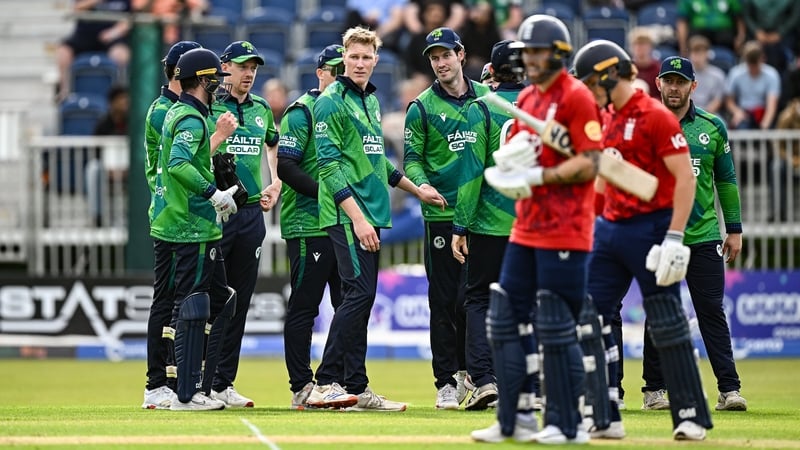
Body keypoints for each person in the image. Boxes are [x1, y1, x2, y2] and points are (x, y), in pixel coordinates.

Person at [469, 15, 602, 444]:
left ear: (559, 54)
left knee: (555, 325)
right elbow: (525, 148)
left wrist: (542, 177)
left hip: (565, 228)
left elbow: (591, 161)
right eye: (526, 51)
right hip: (526, 225)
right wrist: (514, 158)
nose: (531, 58)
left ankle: (568, 423)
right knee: (506, 317)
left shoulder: (577, 98)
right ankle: (517, 416)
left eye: (539, 51)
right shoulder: (527, 97)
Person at [572, 39, 713, 441]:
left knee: (666, 319)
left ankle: (690, 414)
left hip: (652, 227)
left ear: (610, 73)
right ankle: (603, 413)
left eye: (591, 81)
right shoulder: (606, 116)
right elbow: (601, 178)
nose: (588, 90)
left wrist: (674, 236)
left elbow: (684, 179)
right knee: (589, 317)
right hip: (610, 229)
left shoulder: (655, 116)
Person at [306, 26, 446, 411]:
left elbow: (377, 161)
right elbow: (329, 167)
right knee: (360, 294)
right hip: (347, 214)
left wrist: (418, 190)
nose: (360, 63)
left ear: (375, 61)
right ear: (343, 59)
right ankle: (327, 381)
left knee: (362, 299)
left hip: (372, 212)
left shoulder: (370, 101)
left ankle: (357, 385)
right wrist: (357, 219)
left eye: (367, 57)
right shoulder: (330, 101)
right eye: (354, 57)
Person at [635, 55, 746, 413]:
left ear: (693, 86)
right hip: (657, 233)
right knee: (659, 310)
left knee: (711, 310)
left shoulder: (713, 126)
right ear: (658, 84)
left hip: (703, 234)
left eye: (681, 82)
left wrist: (735, 229)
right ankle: (654, 389)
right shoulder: (645, 123)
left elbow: (726, 181)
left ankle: (729, 390)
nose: (673, 87)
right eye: (668, 80)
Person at [141, 40, 237, 410]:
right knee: (191, 304)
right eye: (216, 80)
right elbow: (180, 163)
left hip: (174, 220)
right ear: (203, 81)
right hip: (190, 224)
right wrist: (214, 193)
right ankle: (186, 391)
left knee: (212, 299)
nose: (220, 85)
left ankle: (192, 385)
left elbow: (185, 161)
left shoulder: (175, 112)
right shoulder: (190, 117)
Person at [403, 26, 490, 410]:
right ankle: (447, 381)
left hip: (482, 217)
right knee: (443, 301)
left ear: (461, 54)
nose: (440, 63)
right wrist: (421, 185)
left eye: (445, 55)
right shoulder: (421, 106)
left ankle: (479, 373)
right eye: (433, 58)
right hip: (441, 214)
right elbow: (412, 160)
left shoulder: (488, 99)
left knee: (477, 300)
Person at [204, 40, 282, 408]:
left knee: (240, 300)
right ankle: (198, 379)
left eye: (253, 67)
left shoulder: (263, 108)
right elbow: (193, 157)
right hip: (217, 213)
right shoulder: (209, 106)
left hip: (251, 213)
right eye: (241, 66)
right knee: (209, 297)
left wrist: (276, 181)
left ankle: (223, 383)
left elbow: (273, 144)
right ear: (225, 68)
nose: (249, 73)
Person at [450, 39, 525, 412]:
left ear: (491, 72)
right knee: (532, 301)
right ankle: (535, 383)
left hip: (490, 224)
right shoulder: (545, 106)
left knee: (478, 299)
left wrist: (460, 225)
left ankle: (484, 381)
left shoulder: (482, 107)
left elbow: (471, 174)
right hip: (534, 224)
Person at [277, 44, 345, 410]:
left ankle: (340, 380)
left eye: (343, 70)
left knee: (347, 303)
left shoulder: (347, 110)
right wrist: (329, 195)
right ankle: (302, 385)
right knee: (305, 306)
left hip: (341, 222)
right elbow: (286, 167)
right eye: (334, 70)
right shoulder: (301, 111)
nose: (339, 77)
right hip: (308, 223)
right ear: (319, 73)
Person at [56, 0, 130, 102]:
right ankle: (65, 93)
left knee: (121, 55)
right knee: (63, 51)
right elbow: (77, 9)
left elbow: (131, 18)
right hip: (85, 35)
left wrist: (114, 32)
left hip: (111, 37)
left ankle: (120, 98)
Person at [724, 40, 781, 130]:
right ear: (745, 60)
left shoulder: (772, 74)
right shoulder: (735, 73)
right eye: (750, 64)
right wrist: (737, 111)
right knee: (741, 127)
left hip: (763, 112)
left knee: (769, 129)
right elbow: (729, 101)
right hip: (744, 113)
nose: (753, 68)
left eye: (756, 64)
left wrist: (765, 124)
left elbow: (772, 104)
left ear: (763, 58)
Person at [687, 35, 726, 114]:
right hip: (688, 113)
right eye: (694, 52)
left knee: (722, 124)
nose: (697, 57)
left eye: (700, 53)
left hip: (710, 114)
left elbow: (718, 100)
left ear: (707, 54)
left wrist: (704, 115)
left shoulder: (718, 75)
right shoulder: (684, 74)